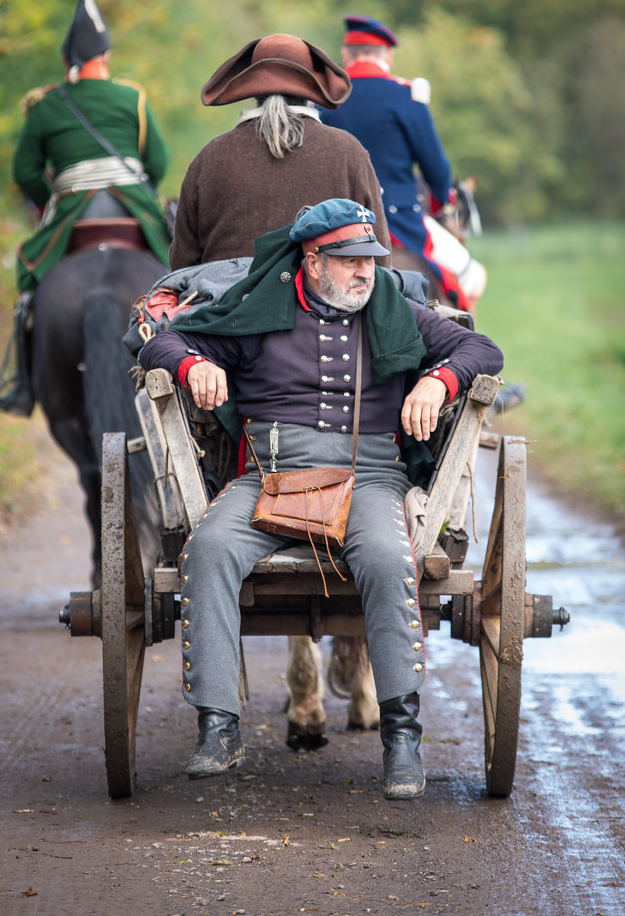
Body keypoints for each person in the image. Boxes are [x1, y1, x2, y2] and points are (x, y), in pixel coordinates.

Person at [138, 197, 504, 800]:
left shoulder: (395, 310)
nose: (367, 271)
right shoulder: (256, 311)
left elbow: (481, 350)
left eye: (372, 258)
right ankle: (218, 728)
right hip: (269, 478)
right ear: (311, 261)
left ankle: (403, 740)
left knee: (390, 561)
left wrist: (439, 380)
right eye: (350, 260)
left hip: (371, 481)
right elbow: (159, 342)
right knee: (208, 549)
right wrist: (191, 366)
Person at [0, 0, 170, 415]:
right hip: (133, 212)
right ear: (105, 55)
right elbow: (157, 164)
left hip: (71, 217)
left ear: (66, 59)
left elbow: (25, 173)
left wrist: (45, 204)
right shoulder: (132, 99)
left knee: (31, 283)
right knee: (179, 275)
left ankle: (21, 383)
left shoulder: (44, 106)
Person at [169, 33, 391, 271]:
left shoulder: (210, 155)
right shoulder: (348, 151)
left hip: (226, 306)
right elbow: (377, 257)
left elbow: (183, 262)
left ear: (253, 89)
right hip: (328, 304)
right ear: (309, 91)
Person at [320, 15, 480, 309]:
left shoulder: (326, 99)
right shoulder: (405, 96)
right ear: (388, 54)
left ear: (346, 53)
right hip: (399, 221)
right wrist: (444, 197)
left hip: (335, 218)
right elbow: (435, 166)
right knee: (473, 278)